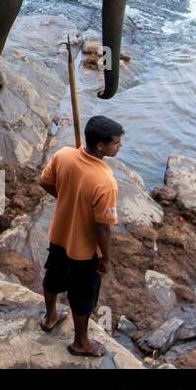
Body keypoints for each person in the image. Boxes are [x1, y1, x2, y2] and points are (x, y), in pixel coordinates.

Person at [38, 115, 123, 357]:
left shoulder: (64, 155)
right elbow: (102, 227)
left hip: (59, 237)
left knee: (53, 279)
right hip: (84, 251)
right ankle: (81, 343)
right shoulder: (105, 182)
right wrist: (106, 258)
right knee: (82, 297)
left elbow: (44, 181)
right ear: (100, 146)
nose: (119, 147)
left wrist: (66, 197)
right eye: (116, 143)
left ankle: (50, 317)